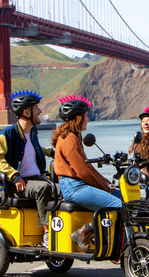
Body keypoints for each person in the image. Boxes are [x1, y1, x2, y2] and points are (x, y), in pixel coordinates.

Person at [51, 95, 121, 252]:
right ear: (78, 117)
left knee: (123, 197)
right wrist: (105, 186)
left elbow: (87, 168)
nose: (88, 120)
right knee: (116, 204)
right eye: (86, 116)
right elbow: (83, 171)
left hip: (77, 184)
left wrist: (106, 182)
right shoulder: (69, 139)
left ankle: (114, 239)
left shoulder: (74, 136)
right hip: (73, 187)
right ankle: (83, 233)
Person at [0, 90, 54, 248]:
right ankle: (47, 234)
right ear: (26, 112)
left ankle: (60, 229)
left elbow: (35, 149)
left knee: (60, 188)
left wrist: (53, 152)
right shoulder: (8, 134)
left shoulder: (32, 133)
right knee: (44, 188)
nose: (40, 111)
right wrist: (14, 176)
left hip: (36, 180)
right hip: (20, 184)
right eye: (36, 108)